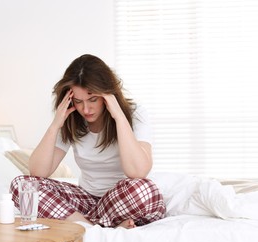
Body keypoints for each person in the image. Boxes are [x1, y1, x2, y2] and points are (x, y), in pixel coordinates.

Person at [10, 54, 166, 228]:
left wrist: (119, 117)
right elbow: (37, 172)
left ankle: (83, 223)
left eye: (93, 99)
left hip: (123, 199)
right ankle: (96, 228)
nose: (86, 109)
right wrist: (55, 125)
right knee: (23, 185)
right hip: (86, 200)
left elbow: (138, 172)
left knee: (143, 190)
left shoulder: (135, 113)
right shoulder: (72, 119)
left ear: (108, 94)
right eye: (78, 101)